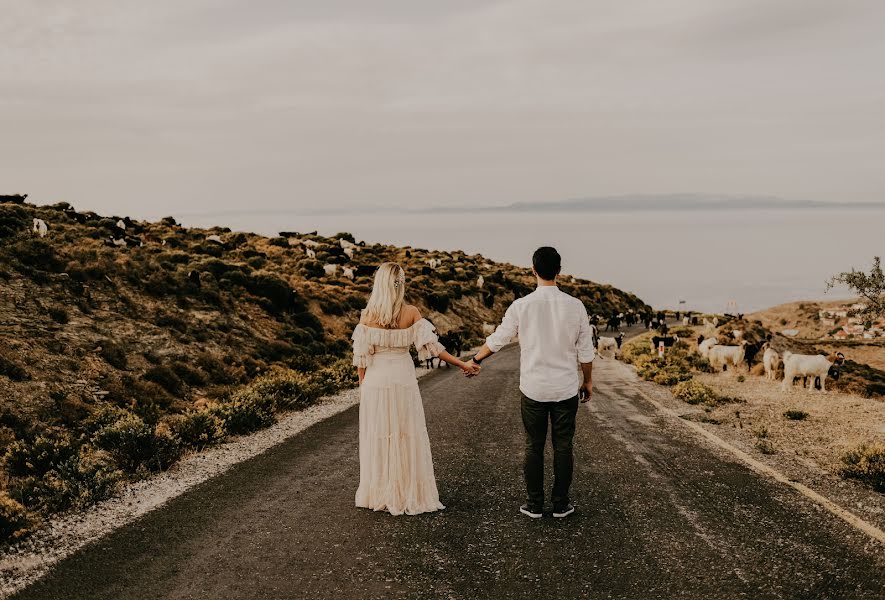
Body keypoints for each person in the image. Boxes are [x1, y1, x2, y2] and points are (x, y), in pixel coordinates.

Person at [468, 247, 596, 519]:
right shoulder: (576, 307)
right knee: (563, 446)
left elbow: (499, 339)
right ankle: (561, 504)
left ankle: (535, 504)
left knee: (533, 446)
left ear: (533, 271)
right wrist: (588, 382)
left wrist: (476, 359)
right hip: (565, 389)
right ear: (559, 271)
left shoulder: (521, 306)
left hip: (534, 390)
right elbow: (586, 352)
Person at [351, 262, 480, 515]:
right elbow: (434, 348)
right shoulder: (410, 312)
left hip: (376, 382)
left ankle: (380, 491)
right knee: (405, 433)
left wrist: (362, 386)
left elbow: (361, 358)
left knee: (379, 434)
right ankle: (407, 490)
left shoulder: (367, 315)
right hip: (402, 379)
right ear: (400, 284)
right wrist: (462, 363)